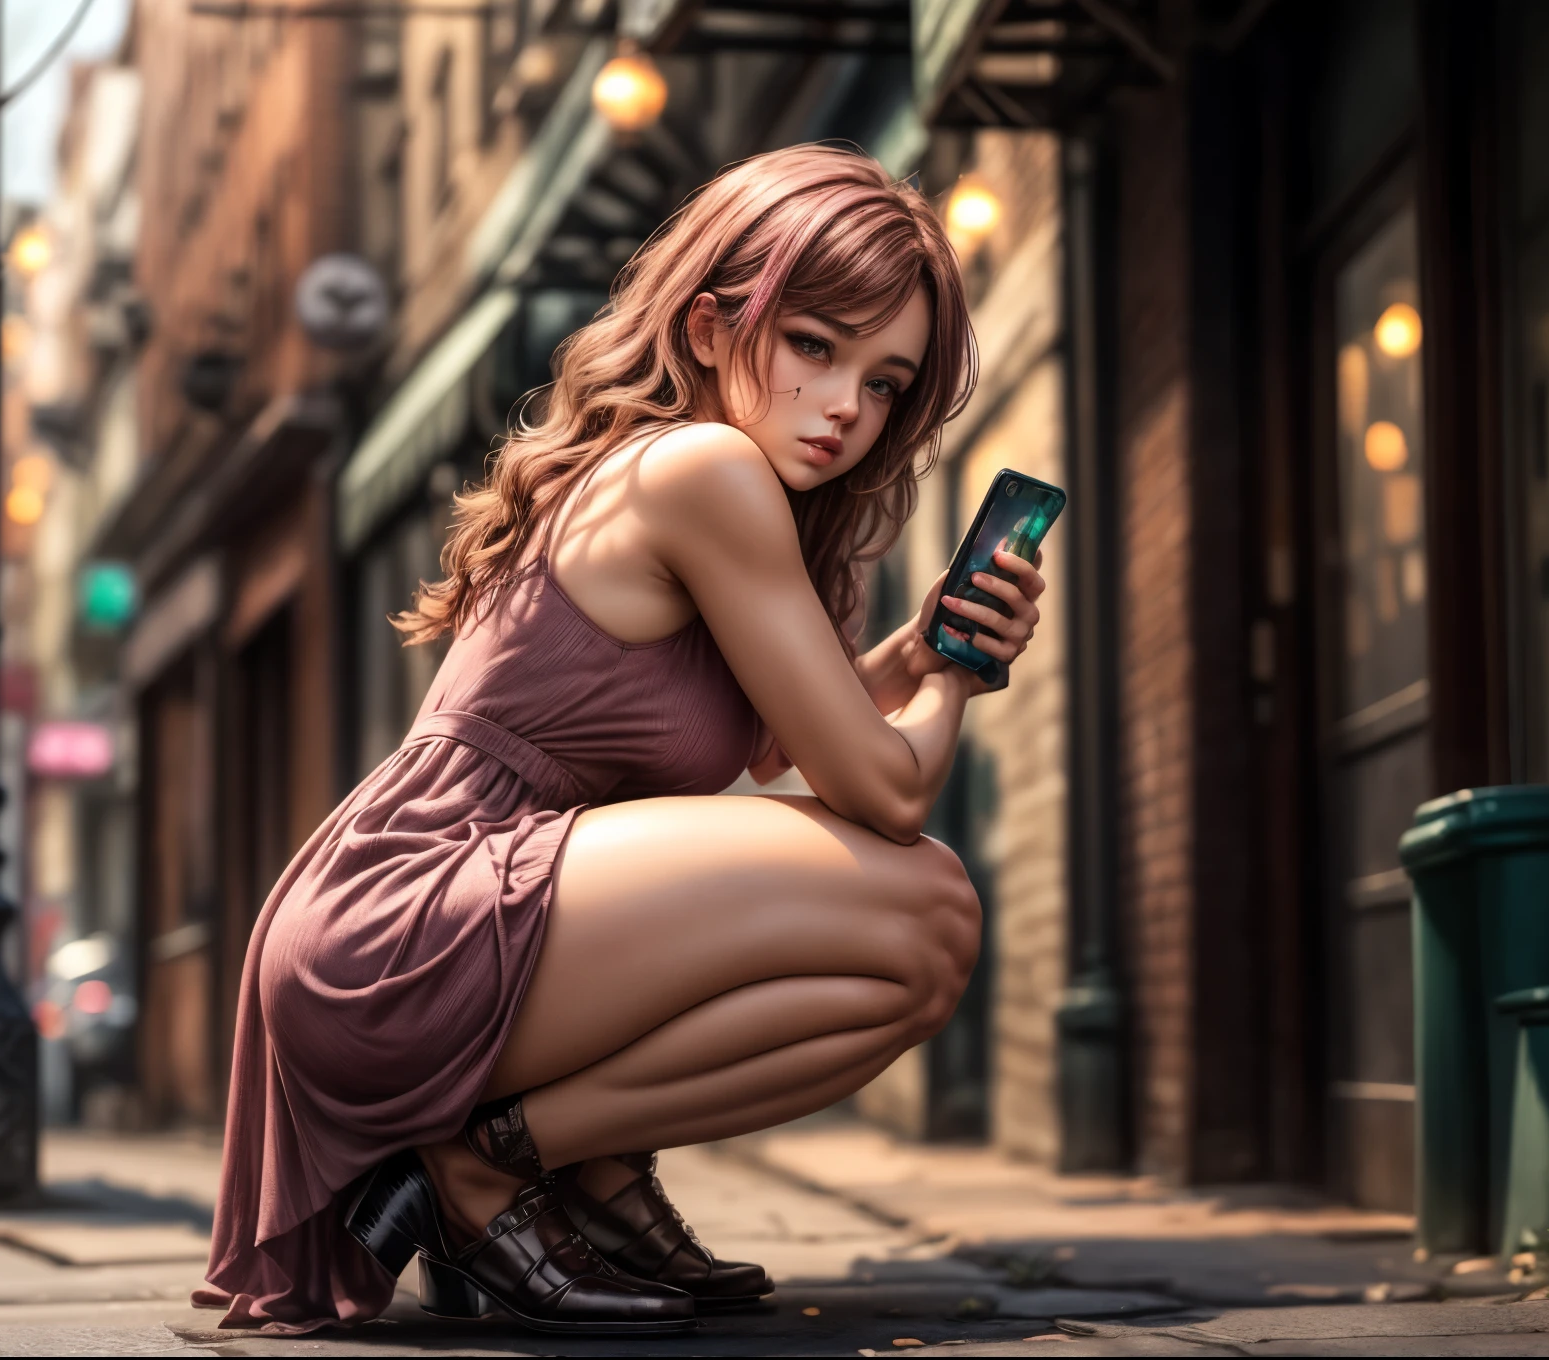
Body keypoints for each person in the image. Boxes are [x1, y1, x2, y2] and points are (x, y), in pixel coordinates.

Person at [194, 144, 1048, 1336]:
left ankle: (570, 1172)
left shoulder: (706, 478)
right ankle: (490, 1172)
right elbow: (885, 792)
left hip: (441, 912)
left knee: (910, 946)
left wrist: (905, 654)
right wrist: (958, 676)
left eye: (886, 380)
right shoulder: (702, 470)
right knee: (927, 906)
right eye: (813, 345)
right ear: (708, 328)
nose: (847, 406)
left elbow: (757, 754)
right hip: (404, 925)